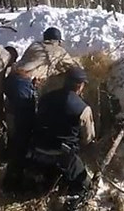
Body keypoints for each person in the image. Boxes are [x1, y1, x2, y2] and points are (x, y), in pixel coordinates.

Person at [2, 27, 80, 192]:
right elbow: (75, 69)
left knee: (15, 126)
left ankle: (7, 155)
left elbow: (37, 65)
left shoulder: (35, 45)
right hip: (23, 85)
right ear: (58, 41)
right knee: (26, 130)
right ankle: (12, 180)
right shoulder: (58, 50)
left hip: (10, 82)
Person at [29, 66, 95, 210]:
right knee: (87, 187)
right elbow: (88, 138)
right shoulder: (83, 108)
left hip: (37, 150)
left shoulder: (45, 98)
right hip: (62, 155)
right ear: (80, 85)